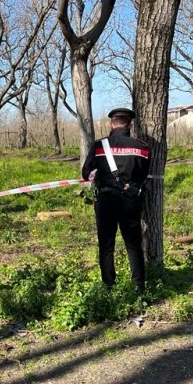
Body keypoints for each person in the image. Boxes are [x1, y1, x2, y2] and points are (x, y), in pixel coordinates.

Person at [82, 107, 151, 293]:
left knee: (106, 245)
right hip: (131, 201)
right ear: (130, 125)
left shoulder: (99, 146)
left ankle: (108, 286)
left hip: (106, 200)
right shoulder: (142, 147)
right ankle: (139, 287)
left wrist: (99, 174)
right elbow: (143, 176)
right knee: (134, 245)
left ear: (111, 124)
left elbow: (85, 173)